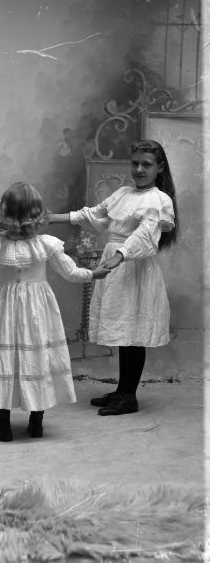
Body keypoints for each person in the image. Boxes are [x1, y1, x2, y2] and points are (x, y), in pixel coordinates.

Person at [0, 182, 111, 441]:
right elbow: (71, 273)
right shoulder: (45, 244)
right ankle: (36, 422)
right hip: (37, 309)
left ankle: (3, 425)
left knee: (5, 358)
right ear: (37, 214)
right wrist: (94, 273)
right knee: (37, 356)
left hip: (5, 310)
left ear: (4, 213)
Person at [49, 140, 178, 416]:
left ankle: (129, 395)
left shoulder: (158, 200)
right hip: (117, 262)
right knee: (124, 331)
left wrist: (120, 255)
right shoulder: (123, 193)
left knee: (133, 333)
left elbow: (145, 234)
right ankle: (121, 390)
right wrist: (52, 218)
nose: (140, 169)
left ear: (160, 168)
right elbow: (93, 215)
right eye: (135, 163)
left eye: (147, 164)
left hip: (135, 265)